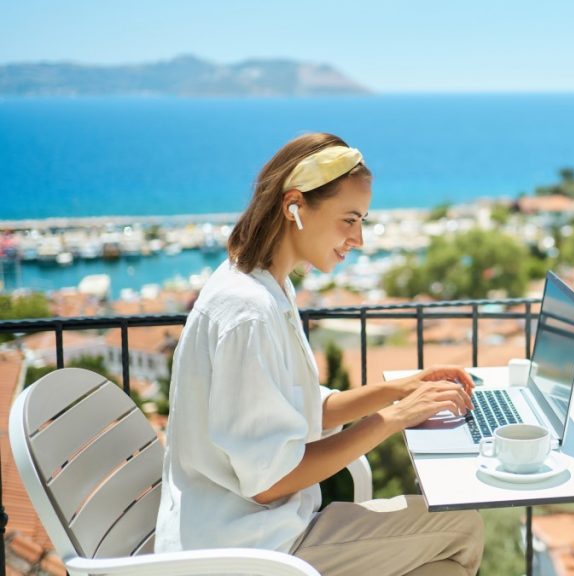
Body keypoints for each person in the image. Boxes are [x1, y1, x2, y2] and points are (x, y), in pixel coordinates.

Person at [156, 132, 485, 575]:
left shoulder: (264, 285)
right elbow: (269, 484)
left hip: (264, 530)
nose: (360, 238)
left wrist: (400, 390)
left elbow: (306, 407)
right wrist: (393, 419)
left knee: (441, 565)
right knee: (461, 527)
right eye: (349, 220)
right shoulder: (248, 312)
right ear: (295, 205)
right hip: (251, 549)